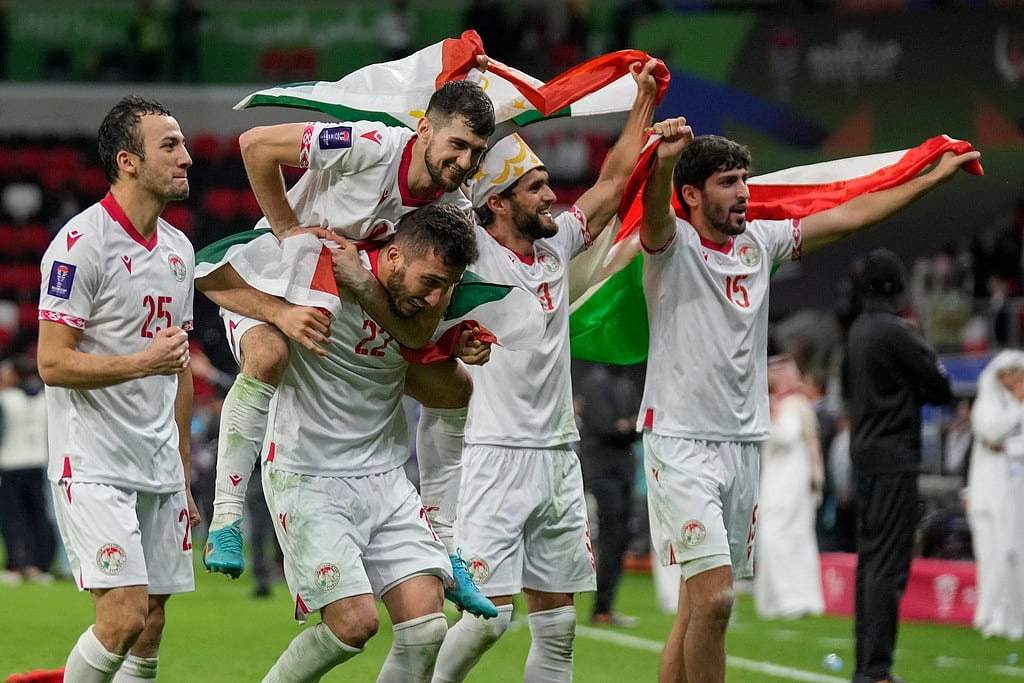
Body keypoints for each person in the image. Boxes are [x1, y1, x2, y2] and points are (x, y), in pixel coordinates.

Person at [637, 125, 980, 683]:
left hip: (744, 444)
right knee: (717, 600)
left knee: (698, 604)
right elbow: (654, 207)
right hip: (679, 439)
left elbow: (852, 216)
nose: (744, 191)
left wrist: (931, 178)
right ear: (693, 195)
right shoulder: (671, 242)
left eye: (745, 179)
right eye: (728, 182)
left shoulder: (760, 243)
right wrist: (661, 162)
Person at [195, 78, 497, 617]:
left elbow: (415, 326)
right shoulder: (372, 146)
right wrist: (288, 229)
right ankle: (226, 518)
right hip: (279, 278)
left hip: (352, 296)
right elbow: (256, 145)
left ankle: (446, 545)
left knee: (454, 387)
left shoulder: (455, 209)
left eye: (476, 152)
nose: (464, 160)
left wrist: (446, 333)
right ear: (424, 128)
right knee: (268, 356)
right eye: (457, 144)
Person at [431, 59, 663, 683]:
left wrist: (644, 102)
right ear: (498, 203)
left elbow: (613, 183)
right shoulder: (472, 256)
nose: (550, 194)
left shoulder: (556, 244)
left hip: (560, 454)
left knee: (558, 630)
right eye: (534, 187)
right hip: (494, 455)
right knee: (486, 621)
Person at [259, 202, 478, 682]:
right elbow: (223, 266)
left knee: (426, 625)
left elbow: (438, 352)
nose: (437, 298)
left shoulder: (417, 302)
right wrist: (272, 315)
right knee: (355, 624)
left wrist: (459, 338)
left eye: (448, 288)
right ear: (394, 257)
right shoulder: (321, 263)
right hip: (308, 473)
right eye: (432, 282)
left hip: (384, 476)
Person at [36, 95, 199, 682]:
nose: (186, 158)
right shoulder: (82, 245)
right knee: (122, 617)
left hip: (157, 461)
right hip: (95, 461)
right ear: (128, 162)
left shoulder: (180, 251)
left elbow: (178, 366)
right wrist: (141, 361)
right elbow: (52, 363)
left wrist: (182, 465)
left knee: (152, 624)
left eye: (182, 145)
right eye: (170, 146)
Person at [843, 247, 955, 683]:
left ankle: (864, 666)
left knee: (870, 565)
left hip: (865, 456)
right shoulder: (897, 331)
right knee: (888, 567)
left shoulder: (857, 331)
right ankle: (878, 670)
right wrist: (917, 391)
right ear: (897, 287)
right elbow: (942, 386)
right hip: (894, 458)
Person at [754, 354, 824, 619]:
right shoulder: (795, 402)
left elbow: (787, 436)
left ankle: (790, 599)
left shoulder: (790, 404)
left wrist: (766, 418)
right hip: (789, 481)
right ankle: (784, 599)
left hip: (787, 483)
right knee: (795, 538)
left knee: (779, 536)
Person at [966, 350, 1024, 640]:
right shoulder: (986, 403)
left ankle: (1010, 616)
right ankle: (989, 614)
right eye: (1014, 372)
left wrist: (1009, 448)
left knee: (1011, 555)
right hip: (987, 493)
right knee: (989, 555)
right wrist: (1015, 404)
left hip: (1015, 494)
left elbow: (1007, 442)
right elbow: (990, 431)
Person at [578, 362, 641, 627]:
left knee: (621, 538)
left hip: (624, 471)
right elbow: (606, 426)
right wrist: (627, 426)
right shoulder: (595, 382)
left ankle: (605, 606)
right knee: (610, 537)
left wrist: (627, 426)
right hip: (602, 472)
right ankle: (600, 607)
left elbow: (634, 425)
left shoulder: (624, 382)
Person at [0, 353, 56, 584]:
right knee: (39, 516)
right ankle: (39, 565)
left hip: (10, 464)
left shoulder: (5, 399)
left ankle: (17, 565)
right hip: (39, 462)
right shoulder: (46, 398)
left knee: (13, 518)